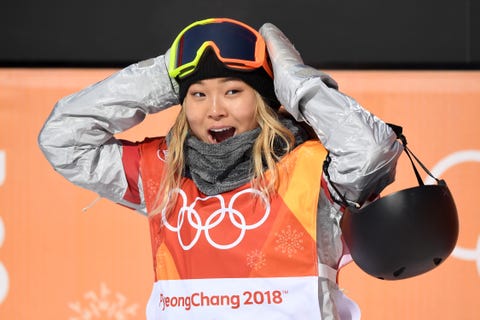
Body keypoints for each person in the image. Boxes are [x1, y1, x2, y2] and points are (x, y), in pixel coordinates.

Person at [38, 17, 403, 319]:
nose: (214, 109)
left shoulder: (311, 169)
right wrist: (162, 78)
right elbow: (62, 136)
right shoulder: (163, 172)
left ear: (264, 101)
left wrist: (296, 83)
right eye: (197, 94)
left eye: (232, 92)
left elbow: (372, 151)